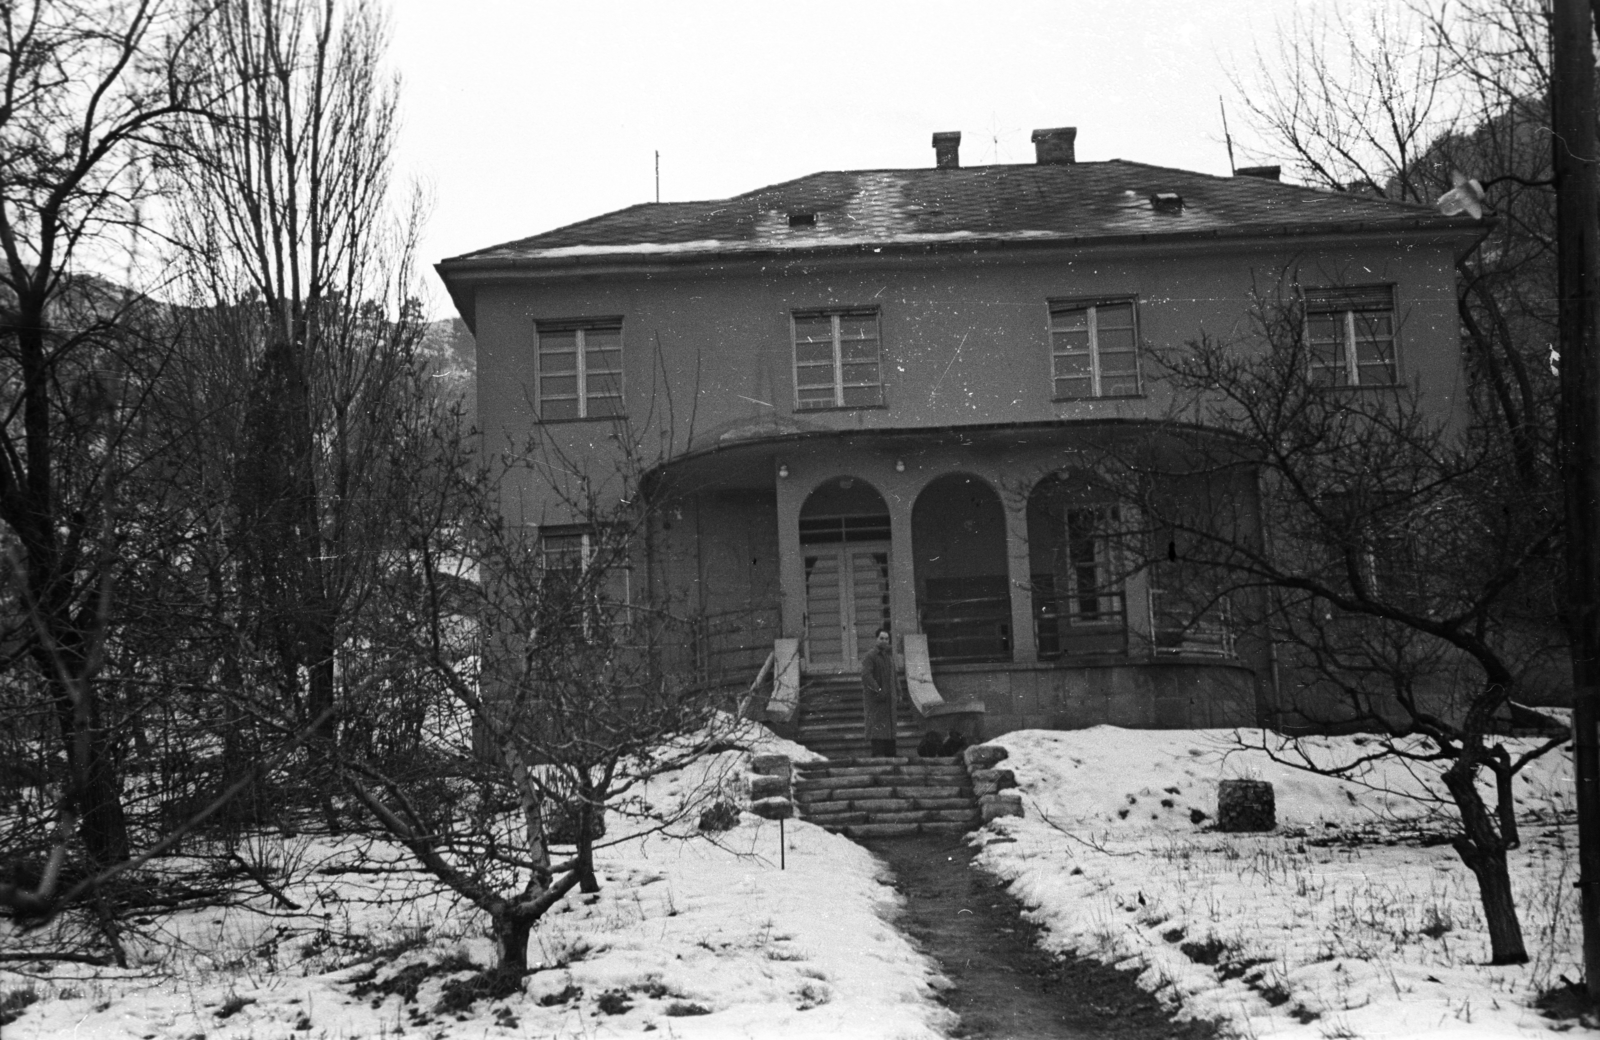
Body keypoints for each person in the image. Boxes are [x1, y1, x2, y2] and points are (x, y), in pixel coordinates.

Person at [860, 627, 898, 758]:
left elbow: (894, 676)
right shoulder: (870, 656)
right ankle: (878, 756)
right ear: (876, 639)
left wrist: (898, 692)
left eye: (886, 639)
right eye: (881, 638)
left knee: (890, 729)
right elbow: (866, 676)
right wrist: (878, 690)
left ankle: (891, 755)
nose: (884, 641)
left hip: (889, 701)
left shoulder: (889, 657)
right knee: (877, 728)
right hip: (876, 701)